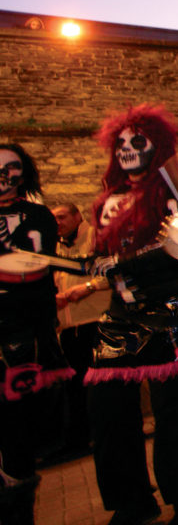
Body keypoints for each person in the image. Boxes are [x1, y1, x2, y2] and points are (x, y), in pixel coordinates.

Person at [63, 106, 178, 525]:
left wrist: (123, 262)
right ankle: (132, 499)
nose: (128, 150)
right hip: (121, 315)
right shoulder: (107, 201)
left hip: (172, 312)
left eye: (138, 141)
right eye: (121, 143)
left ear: (158, 144)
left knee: (176, 412)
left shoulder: (177, 189)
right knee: (106, 407)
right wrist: (98, 267)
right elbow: (105, 258)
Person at [0, 143, 73, 525]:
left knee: (17, 437)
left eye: (11, 167)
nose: (3, 175)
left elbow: (35, 271)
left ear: (23, 174)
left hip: (22, 339)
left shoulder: (37, 216)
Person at [50, 202, 102, 461]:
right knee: (75, 385)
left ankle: (100, 433)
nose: (58, 223)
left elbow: (110, 272)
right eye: (54, 219)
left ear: (77, 216)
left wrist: (86, 288)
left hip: (94, 321)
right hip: (70, 327)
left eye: (62, 217)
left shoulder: (95, 237)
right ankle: (79, 439)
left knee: (97, 384)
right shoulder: (56, 247)